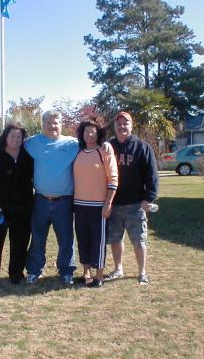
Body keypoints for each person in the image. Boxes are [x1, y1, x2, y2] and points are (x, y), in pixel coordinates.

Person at [24, 110, 79, 285]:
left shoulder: (73, 144)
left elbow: (95, 147)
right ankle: (34, 271)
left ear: (61, 124)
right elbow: (11, 146)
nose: (52, 126)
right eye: (48, 123)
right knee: (38, 238)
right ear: (43, 125)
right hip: (40, 201)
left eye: (55, 123)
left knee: (66, 239)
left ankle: (66, 271)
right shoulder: (32, 143)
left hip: (63, 202)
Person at [106, 111, 159, 285]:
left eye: (125, 123)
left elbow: (152, 176)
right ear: (114, 126)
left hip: (136, 204)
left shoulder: (142, 147)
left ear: (131, 126)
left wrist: (148, 199)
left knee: (139, 239)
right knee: (115, 239)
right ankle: (118, 269)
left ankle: (142, 272)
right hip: (114, 204)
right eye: (119, 123)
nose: (122, 127)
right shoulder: (108, 147)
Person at [0, 122, 34, 284]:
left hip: (23, 208)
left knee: (20, 244)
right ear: (5, 136)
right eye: (12, 136)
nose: (16, 139)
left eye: (19, 136)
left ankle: (16, 274)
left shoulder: (28, 155)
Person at [73, 116, 118, 288]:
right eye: (86, 131)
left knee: (97, 241)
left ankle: (98, 276)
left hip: (99, 206)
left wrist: (108, 203)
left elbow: (113, 178)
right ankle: (86, 273)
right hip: (79, 204)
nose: (90, 135)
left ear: (98, 133)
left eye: (93, 132)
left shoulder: (104, 150)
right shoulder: (78, 152)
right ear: (82, 133)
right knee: (83, 239)